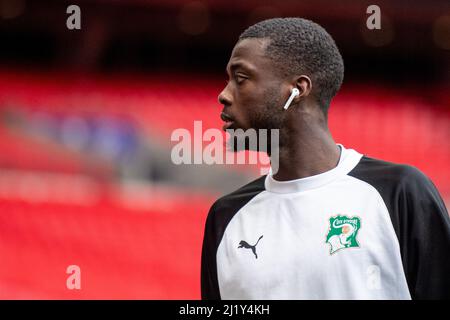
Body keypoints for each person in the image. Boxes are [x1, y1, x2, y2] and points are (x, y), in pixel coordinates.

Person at [200, 17, 450, 300]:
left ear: (298, 89)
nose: (223, 95)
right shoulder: (225, 217)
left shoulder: (399, 193)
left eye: (241, 78)